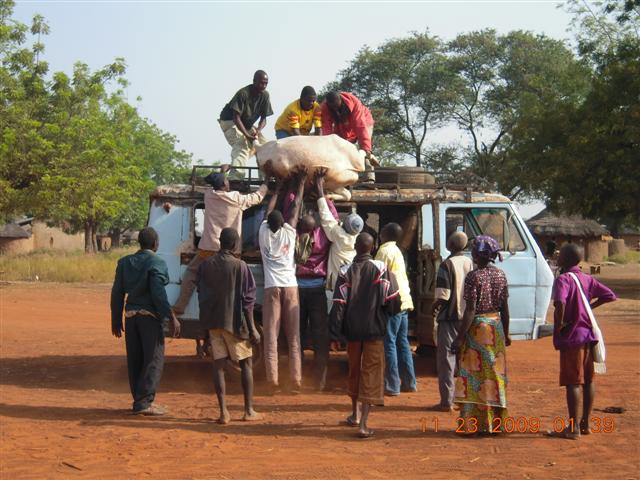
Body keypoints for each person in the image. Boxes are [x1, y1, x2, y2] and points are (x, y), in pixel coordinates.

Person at [330, 233, 401, 438]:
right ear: (372, 248)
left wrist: (335, 332)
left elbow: (338, 305)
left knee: (354, 370)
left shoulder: (345, 271)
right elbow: (393, 300)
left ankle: (354, 414)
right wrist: (386, 313)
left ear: (356, 247)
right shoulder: (381, 269)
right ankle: (363, 424)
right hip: (374, 330)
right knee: (370, 373)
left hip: (352, 331)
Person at [172, 168, 268, 316]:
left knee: (191, 273)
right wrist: (265, 184)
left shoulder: (209, 196)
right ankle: (242, 312)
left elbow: (213, 185)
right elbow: (257, 197)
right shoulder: (236, 198)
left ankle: (180, 305)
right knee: (237, 282)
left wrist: (221, 172)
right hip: (232, 252)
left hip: (208, 250)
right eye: (227, 180)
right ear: (224, 183)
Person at [548, 243, 616, 439]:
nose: (557, 257)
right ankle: (586, 424)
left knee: (573, 382)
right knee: (588, 380)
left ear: (567, 259)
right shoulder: (587, 278)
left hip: (573, 337)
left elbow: (560, 302)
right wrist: (587, 310)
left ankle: (573, 427)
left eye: (560, 255)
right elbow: (609, 295)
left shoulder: (563, 279)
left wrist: (560, 325)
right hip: (589, 336)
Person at [111, 227, 180, 416]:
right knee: (153, 359)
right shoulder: (156, 262)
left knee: (135, 360)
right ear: (156, 244)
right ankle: (144, 403)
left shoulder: (124, 263)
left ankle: (139, 400)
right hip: (149, 318)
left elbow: (117, 293)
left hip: (131, 317)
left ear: (139, 243)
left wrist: (116, 319)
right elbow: (158, 292)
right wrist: (170, 316)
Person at [197, 228, 262, 424]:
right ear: (235, 244)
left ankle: (223, 412)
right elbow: (248, 301)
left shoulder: (205, 265)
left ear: (220, 242)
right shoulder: (240, 266)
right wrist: (252, 329)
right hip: (234, 324)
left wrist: (204, 330)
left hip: (213, 323)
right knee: (246, 364)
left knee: (218, 366)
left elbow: (201, 294)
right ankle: (248, 410)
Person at [452, 235, 510, 435]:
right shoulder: (501, 275)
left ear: (476, 255)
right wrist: (507, 334)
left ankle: (472, 424)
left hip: (478, 329)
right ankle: (495, 424)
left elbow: (470, 310)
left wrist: (460, 338)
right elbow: (505, 308)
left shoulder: (473, 277)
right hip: (496, 328)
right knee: (494, 374)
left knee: (473, 375)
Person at [259, 170, 305, 393]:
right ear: (283, 223)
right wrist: (302, 184)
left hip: (272, 288)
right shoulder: (290, 233)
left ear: (268, 223)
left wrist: (276, 190)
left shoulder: (263, 233)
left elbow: (269, 210)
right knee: (294, 337)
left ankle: (273, 381)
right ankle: (296, 380)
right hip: (291, 287)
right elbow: (295, 209)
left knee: (271, 337)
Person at [428, 231, 473, 412]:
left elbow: (443, 296)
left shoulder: (446, 265)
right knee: (465, 360)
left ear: (451, 245)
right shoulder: (470, 262)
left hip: (449, 317)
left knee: (447, 360)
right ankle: (464, 399)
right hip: (467, 318)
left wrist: (433, 307)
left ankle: (446, 401)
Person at [375, 222, 417, 396]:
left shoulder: (384, 251)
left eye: (382, 231)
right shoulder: (397, 250)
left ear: (385, 234)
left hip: (393, 303)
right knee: (403, 343)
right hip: (404, 301)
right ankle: (409, 382)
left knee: (389, 343)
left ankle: (392, 385)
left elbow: (378, 278)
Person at [314, 168, 364, 291]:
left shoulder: (339, 235)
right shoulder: (357, 239)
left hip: (336, 285)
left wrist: (319, 185)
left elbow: (325, 215)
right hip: (351, 286)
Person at [218, 70, 274, 178]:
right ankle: (236, 179)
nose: (263, 86)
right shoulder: (243, 93)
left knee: (265, 146)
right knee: (241, 145)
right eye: (261, 82)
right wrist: (247, 135)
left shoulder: (265, 96)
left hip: (246, 124)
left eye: (266, 83)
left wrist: (258, 130)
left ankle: (265, 179)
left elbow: (264, 118)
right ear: (254, 81)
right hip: (229, 122)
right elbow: (236, 117)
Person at [321, 91, 377, 183]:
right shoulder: (324, 107)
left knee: (364, 151)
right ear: (328, 104)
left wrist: (366, 147)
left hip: (364, 122)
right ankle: (345, 178)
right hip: (343, 126)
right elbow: (326, 129)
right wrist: (329, 147)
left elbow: (360, 127)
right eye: (332, 107)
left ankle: (369, 177)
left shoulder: (354, 102)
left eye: (337, 106)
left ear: (341, 100)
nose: (335, 109)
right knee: (341, 149)